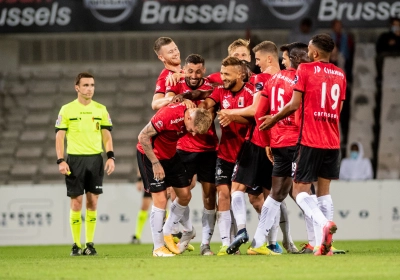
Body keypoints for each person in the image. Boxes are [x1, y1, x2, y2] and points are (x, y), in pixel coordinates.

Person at [259, 33, 347, 256]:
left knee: (299, 190)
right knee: (324, 192)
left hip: (309, 138)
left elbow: (294, 104)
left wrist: (274, 118)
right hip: (333, 140)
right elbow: (338, 111)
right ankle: (323, 245)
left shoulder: (305, 70)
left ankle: (323, 224)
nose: (307, 53)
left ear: (315, 53)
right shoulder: (340, 74)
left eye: (309, 49)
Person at [217, 41, 290, 255]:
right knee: (272, 197)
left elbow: (256, 110)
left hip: (257, 139)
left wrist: (229, 112)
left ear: (269, 58)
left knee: (237, 189)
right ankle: (272, 244)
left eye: (256, 60)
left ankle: (241, 230)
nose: (255, 65)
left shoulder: (260, 79)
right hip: (277, 142)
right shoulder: (288, 79)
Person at [246, 42, 310, 255]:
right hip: (297, 141)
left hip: (277, 142)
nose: (283, 61)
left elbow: (259, 114)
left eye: (284, 58)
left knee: (276, 194)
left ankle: (257, 243)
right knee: (305, 190)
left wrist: (266, 142)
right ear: (300, 58)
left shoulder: (272, 80)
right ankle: (317, 240)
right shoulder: (302, 79)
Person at [137, 103, 212, 257]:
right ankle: (158, 248)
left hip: (170, 156)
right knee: (160, 199)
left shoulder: (192, 115)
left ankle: (177, 230)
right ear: (189, 117)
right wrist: (155, 163)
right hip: (151, 156)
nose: (192, 134)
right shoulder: (168, 116)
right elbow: (142, 136)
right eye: (191, 130)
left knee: (185, 194)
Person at [197, 56, 254, 256]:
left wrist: (232, 115)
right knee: (223, 194)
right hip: (225, 153)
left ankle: (267, 241)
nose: (223, 78)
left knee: (256, 199)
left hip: (247, 153)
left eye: (227, 74)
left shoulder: (250, 93)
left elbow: (254, 118)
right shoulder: (220, 91)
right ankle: (226, 243)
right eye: (221, 73)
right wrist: (203, 111)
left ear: (240, 74)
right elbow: (207, 104)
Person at [55, 72, 115, 256]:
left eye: (92, 85)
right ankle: (75, 244)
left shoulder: (101, 109)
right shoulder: (66, 110)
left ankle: (89, 244)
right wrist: (61, 160)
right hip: (74, 160)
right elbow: (60, 136)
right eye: (86, 85)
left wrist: (111, 156)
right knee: (76, 203)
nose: (90, 88)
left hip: (95, 159)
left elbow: (106, 135)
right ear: (77, 88)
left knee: (93, 201)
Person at [165, 54, 219, 255]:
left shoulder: (211, 85)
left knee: (209, 195)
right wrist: (178, 98)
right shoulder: (175, 84)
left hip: (208, 149)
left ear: (203, 70)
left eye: (198, 71)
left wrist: (188, 96)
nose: (194, 75)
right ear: (184, 70)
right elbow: (167, 99)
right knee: (177, 193)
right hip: (183, 148)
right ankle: (187, 231)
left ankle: (205, 244)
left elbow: (206, 92)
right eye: (190, 71)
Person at [151, 37, 183, 110]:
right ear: (161, 57)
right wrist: (174, 98)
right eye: (170, 52)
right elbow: (155, 103)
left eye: (176, 49)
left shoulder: (184, 72)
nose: (176, 53)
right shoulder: (165, 77)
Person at [376, 17, 400, 86]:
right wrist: (389, 44)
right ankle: (380, 77)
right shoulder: (384, 36)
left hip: (398, 53)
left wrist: (397, 39)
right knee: (379, 57)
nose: (396, 27)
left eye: (398, 25)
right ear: (391, 26)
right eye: (395, 25)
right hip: (387, 54)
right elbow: (379, 48)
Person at [131, 169, 151, 244]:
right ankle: (137, 235)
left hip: (163, 178)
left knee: (164, 207)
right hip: (150, 179)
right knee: (144, 207)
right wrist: (139, 180)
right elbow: (141, 164)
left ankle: (168, 235)